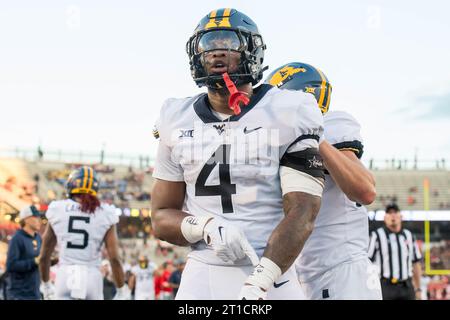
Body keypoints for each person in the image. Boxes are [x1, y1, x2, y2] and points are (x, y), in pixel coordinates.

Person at [151, 8, 325, 300]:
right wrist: (202, 226)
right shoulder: (175, 117)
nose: (217, 53)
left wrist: (262, 280)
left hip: (270, 271)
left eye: (228, 44)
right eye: (209, 45)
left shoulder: (288, 111)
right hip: (203, 271)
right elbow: (160, 217)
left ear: (252, 51)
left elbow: (303, 212)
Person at [266, 62, 381, 299]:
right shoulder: (279, 141)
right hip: (306, 273)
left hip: (341, 270)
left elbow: (365, 190)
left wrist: (313, 135)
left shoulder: (332, 125)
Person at [38, 166, 131, 300]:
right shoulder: (105, 212)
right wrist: (121, 289)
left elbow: (44, 256)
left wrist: (46, 285)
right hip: (92, 278)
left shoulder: (57, 209)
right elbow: (114, 258)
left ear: (71, 186)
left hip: (65, 277)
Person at [368, 203, 423, 300]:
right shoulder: (376, 235)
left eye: (395, 212)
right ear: (385, 217)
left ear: (401, 216)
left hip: (407, 286)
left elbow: (416, 263)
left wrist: (418, 289)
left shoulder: (409, 235)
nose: (392, 215)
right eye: (389, 213)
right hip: (386, 286)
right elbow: (368, 262)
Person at [5, 205, 43, 300]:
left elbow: (40, 261)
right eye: (35, 217)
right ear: (26, 219)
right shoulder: (17, 238)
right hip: (19, 294)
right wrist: (34, 261)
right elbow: (11, 265)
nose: (39, 220)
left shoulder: (38, 238)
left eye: (39, 217)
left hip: (34, 292)